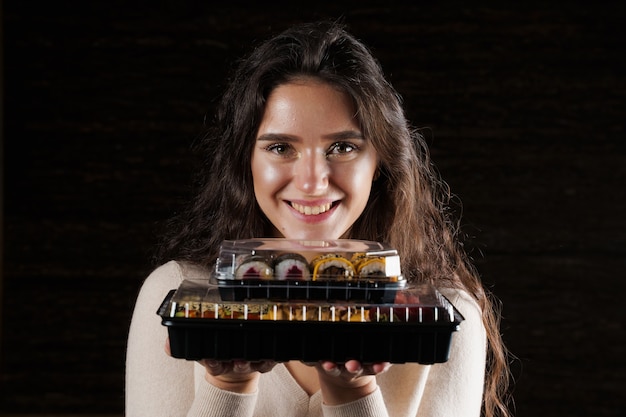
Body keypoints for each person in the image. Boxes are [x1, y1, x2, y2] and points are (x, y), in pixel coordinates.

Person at [126, 20, 512, 417]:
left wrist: (354, 393)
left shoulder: (444, 317)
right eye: (280, 147)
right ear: (246, 162)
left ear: (380, 161)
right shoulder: (174, 294)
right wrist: (228, 386)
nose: (312, 182)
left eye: (342, 147)